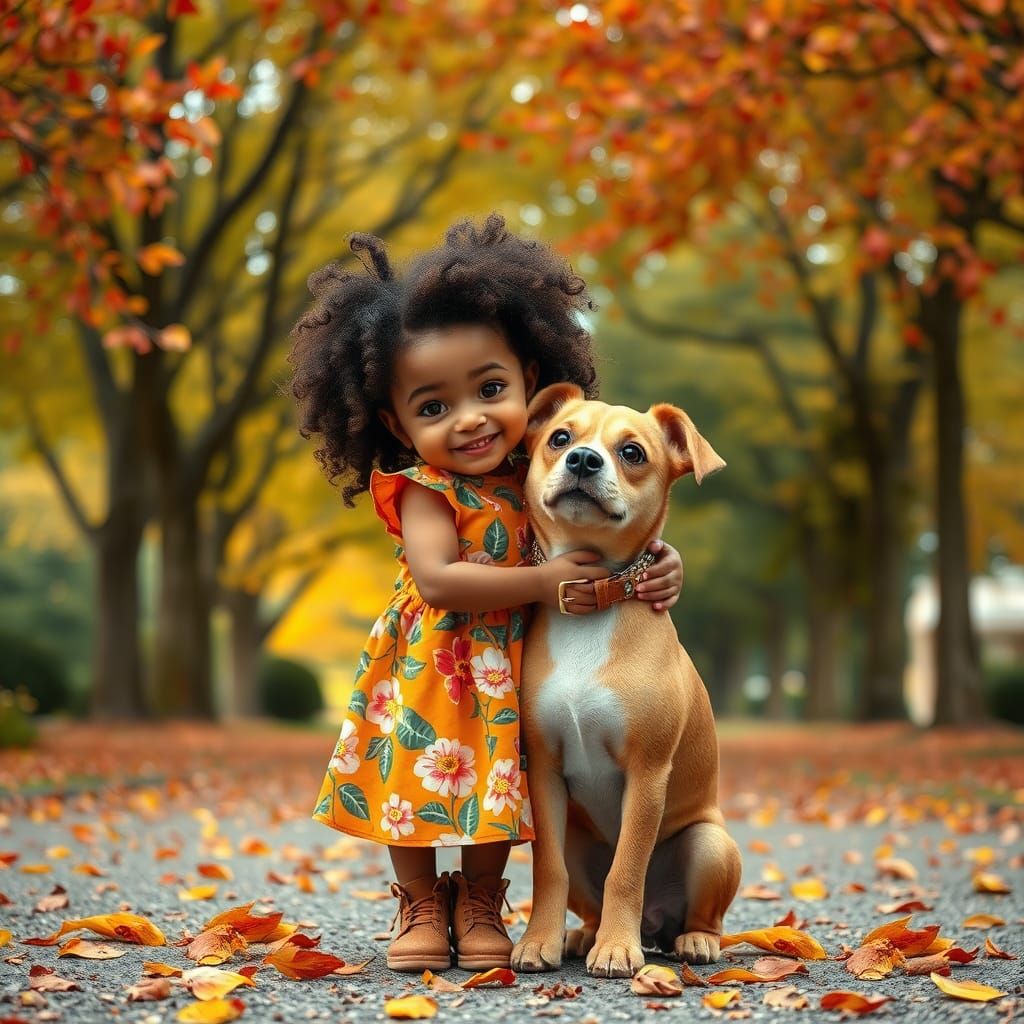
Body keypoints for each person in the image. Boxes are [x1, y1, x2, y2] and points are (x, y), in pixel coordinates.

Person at [288, 213, 683, 973]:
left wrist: (663, 564)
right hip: (436, 668)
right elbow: (438, 579)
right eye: (433, 407)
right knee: (415, 793)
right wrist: (540, 581)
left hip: (508, 667)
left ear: (531, 387)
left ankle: (478, 900)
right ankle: (417, 903)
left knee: (498, 794)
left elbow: (617, 531)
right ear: (394, 423)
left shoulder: (543, 468)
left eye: (490, 390)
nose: (469, 420)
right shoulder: (424, 489)